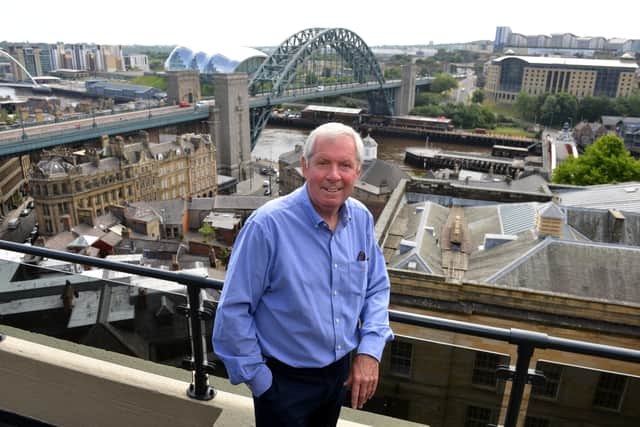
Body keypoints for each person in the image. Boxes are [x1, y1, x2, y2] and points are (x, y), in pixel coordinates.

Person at [212, 122, 393, 426]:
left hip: (338, 375)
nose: (334, 175)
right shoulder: (267, 226)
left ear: (357, 172)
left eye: (345, 165)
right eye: (324, 163)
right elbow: (233, 310)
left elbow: (376, 288)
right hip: (284, 382)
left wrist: (369, 351)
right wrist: (262, 382)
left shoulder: (361, 219)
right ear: (305, 166)